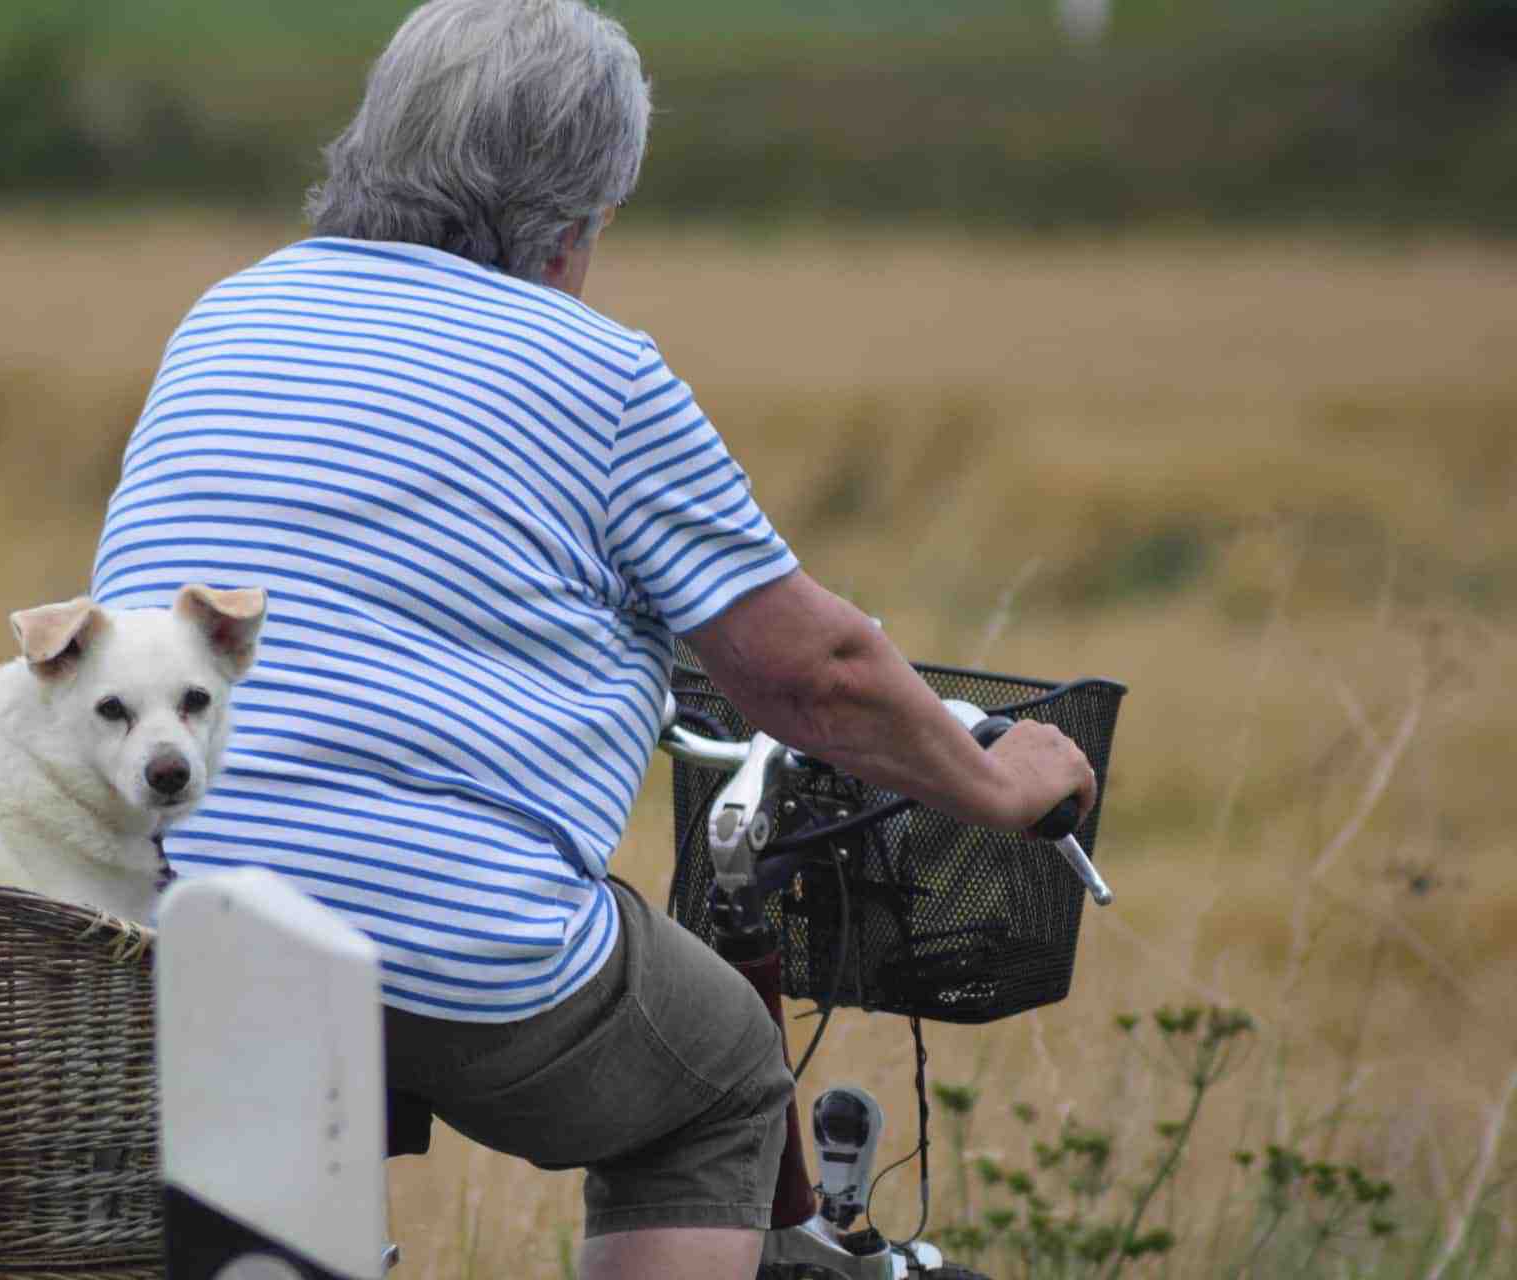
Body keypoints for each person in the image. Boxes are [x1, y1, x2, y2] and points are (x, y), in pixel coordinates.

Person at [88, 2, 1096, 1275]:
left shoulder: (226, 316)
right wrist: (1005, 782)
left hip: (169, 909)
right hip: (440, 932)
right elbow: (817, 673)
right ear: (576, 217)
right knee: (722, 1074)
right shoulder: (599, 373)